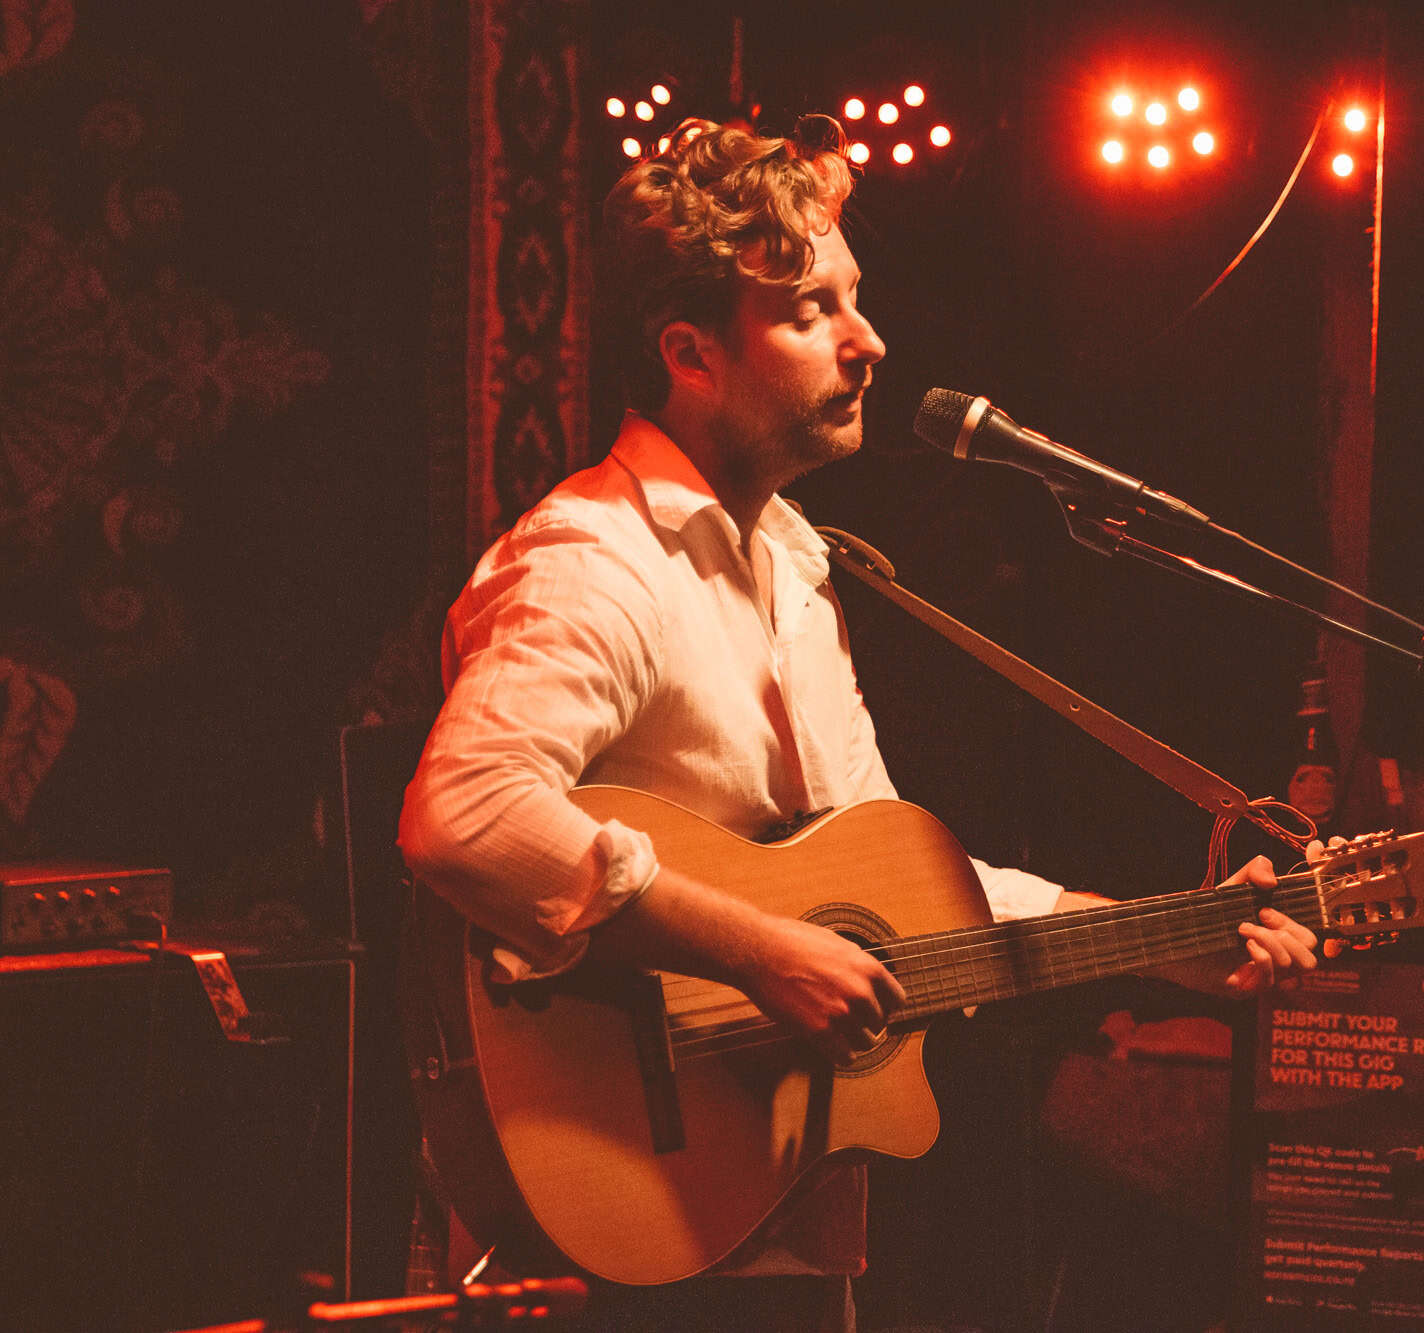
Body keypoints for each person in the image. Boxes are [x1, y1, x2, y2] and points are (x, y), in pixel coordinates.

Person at [397, 113, 1323, 1331]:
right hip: (611, 1218)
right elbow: (461, 814)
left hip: (779, 1216)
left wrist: (1162, 942)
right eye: (811, 311)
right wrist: (757, 950)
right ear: (690, 353)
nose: (868, 340)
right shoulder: (595, 564)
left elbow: (901, 892)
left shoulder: (794, 567)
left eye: (857, 300)